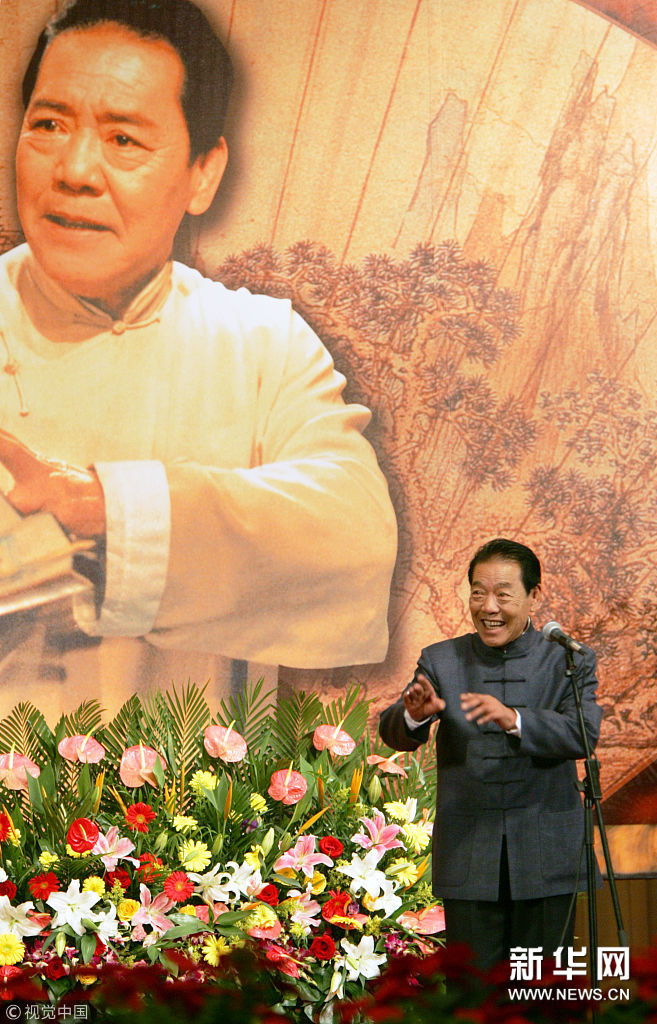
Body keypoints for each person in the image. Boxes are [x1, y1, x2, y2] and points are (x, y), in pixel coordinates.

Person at [0, 0, 397, 717]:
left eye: (123, 138)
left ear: (203, 174)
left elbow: (356, 542)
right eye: (48, 124)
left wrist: (115, 513)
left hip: (197, 812)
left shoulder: (261, 342)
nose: (75, 169)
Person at [379, 538, 602, 970]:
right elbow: (395, 732)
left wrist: (513, 718)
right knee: (473, 999)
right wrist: (412, 715)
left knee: (543, 997)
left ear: (534, 595)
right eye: (478, 592)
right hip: (470, 856)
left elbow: (582, 733)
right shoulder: (442, 660)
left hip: (547, 857)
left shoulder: (568, 661)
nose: (488, 607)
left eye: (503, 593)